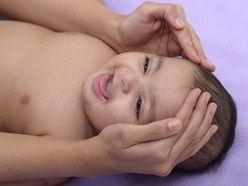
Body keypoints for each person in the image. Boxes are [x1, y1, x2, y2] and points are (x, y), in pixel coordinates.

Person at [0, 1, 232, 185]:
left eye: (139, 105)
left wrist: (90, 158)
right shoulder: (108, 42)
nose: (129, 79)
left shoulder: (62, 154)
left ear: (139, 150)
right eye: (146, 65)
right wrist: (114, 26)